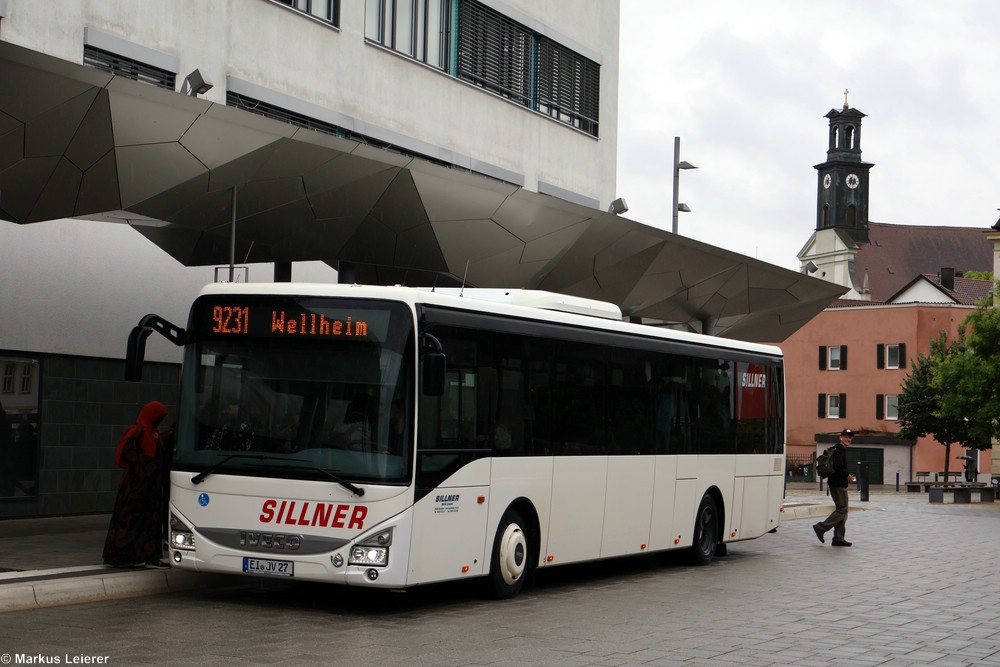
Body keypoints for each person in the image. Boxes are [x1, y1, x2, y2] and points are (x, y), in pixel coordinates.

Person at [103, 401, 173, 568]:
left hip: (151, 489)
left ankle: (150, 557)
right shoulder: (137, 432)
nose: (160, 420)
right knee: (130, 521)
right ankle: (123, 558)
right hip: (135, 488)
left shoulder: (155, 434)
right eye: (159, 417)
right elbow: (128, 457)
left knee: (150, 523)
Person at [813, 428, 857, 547]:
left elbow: (838, 467)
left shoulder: (837, 448)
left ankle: (838, 538)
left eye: (850, 437)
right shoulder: (840, 449)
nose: (848, 439)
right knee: (842, 510)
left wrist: (846, 475)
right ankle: (821, 527)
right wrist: (847, 475)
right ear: (840, 437)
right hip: (838, 484)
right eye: (846, 437)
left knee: (842, 510)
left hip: (836, 483)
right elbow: (838, 467)